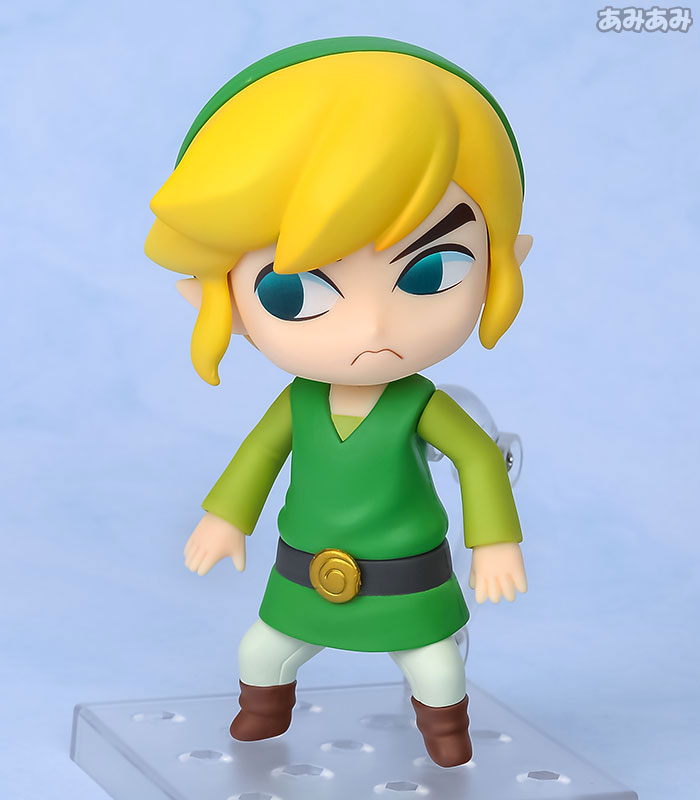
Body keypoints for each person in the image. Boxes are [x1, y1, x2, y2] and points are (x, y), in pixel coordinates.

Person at [144, 36, 532, 768]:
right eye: (293, 291)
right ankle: (263, 712)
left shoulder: (419, 403)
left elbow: (479, 457)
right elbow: (258, 457)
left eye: (430, 273)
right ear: (217, 297)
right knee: (262, 651)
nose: (373, 329)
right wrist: (225, 519)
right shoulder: (298, 402)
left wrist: (494, 542)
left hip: (407, 573)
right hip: (304, 571)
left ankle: (446, 734)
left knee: (434, 665)